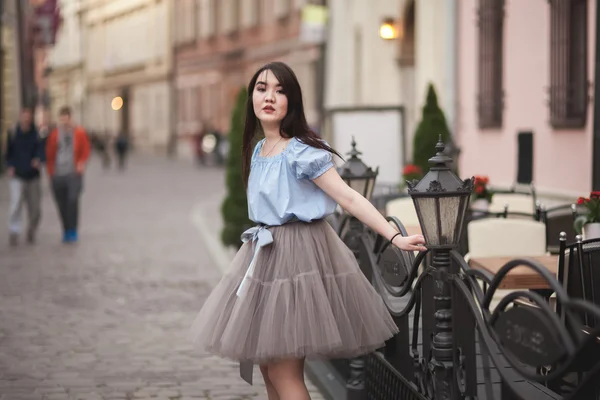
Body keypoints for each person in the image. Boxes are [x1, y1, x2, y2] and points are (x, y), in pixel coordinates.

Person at [190, 61, 426, 400]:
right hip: (264, 255)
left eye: (279, 90)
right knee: (269, 369)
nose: (269, 97)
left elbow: (347, 196)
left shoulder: (302, 150)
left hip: (298, 256)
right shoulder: (259, 149)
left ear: (292, 102)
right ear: (252, 98)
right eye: (261, 89)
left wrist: (394, 235)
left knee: (285, 371)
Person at [45, 106, 91, 243]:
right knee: (61, 204)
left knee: (72, 201)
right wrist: (51, 171)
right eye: (62, 119)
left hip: (73, 174)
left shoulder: (79, 133)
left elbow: (86, 150)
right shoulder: (54, 135)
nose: (64, 122)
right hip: (58, 174)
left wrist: (82, 163)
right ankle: (65, 229)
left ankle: (73, 230)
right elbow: (50, 153)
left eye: (66, 119)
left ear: (71, 118)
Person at [5, 108, 43, 246]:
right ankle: (14, 231)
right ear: (20, 117)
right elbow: (8, 152)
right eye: (24, 116)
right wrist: (10, 165)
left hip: (33, 176)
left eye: (28, 117)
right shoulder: (14, 133)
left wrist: (38, 159)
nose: (26, 119)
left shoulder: (36, 133)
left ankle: (31, 229)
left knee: (36, 208)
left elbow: (41, 150)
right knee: (15, 205)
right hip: (18, 175)